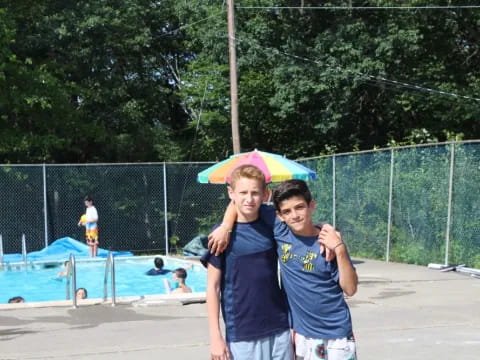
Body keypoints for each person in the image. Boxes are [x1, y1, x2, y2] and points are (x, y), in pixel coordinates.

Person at [210, 176, 358, 360]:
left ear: (311, 206)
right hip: (301, 335)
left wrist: (340, 248)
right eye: (287, 211)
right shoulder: (280, 231)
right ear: (280, 215)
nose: (294, 215)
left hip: (336, 334)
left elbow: (350, 289)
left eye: (299, 207)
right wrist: (225, 226)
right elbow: (240, 201)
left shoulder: (328, 242)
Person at [201, 165, 293, 360]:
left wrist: (323, 229)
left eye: (255, 193)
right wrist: (215, 336)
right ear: (231, 193)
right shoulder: (220, 236)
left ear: (265, 194)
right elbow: (212, 287)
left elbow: (298, 220)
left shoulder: (271, 221)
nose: (249, 199)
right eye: (243, 192)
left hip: (279, 326)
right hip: (242, 333)